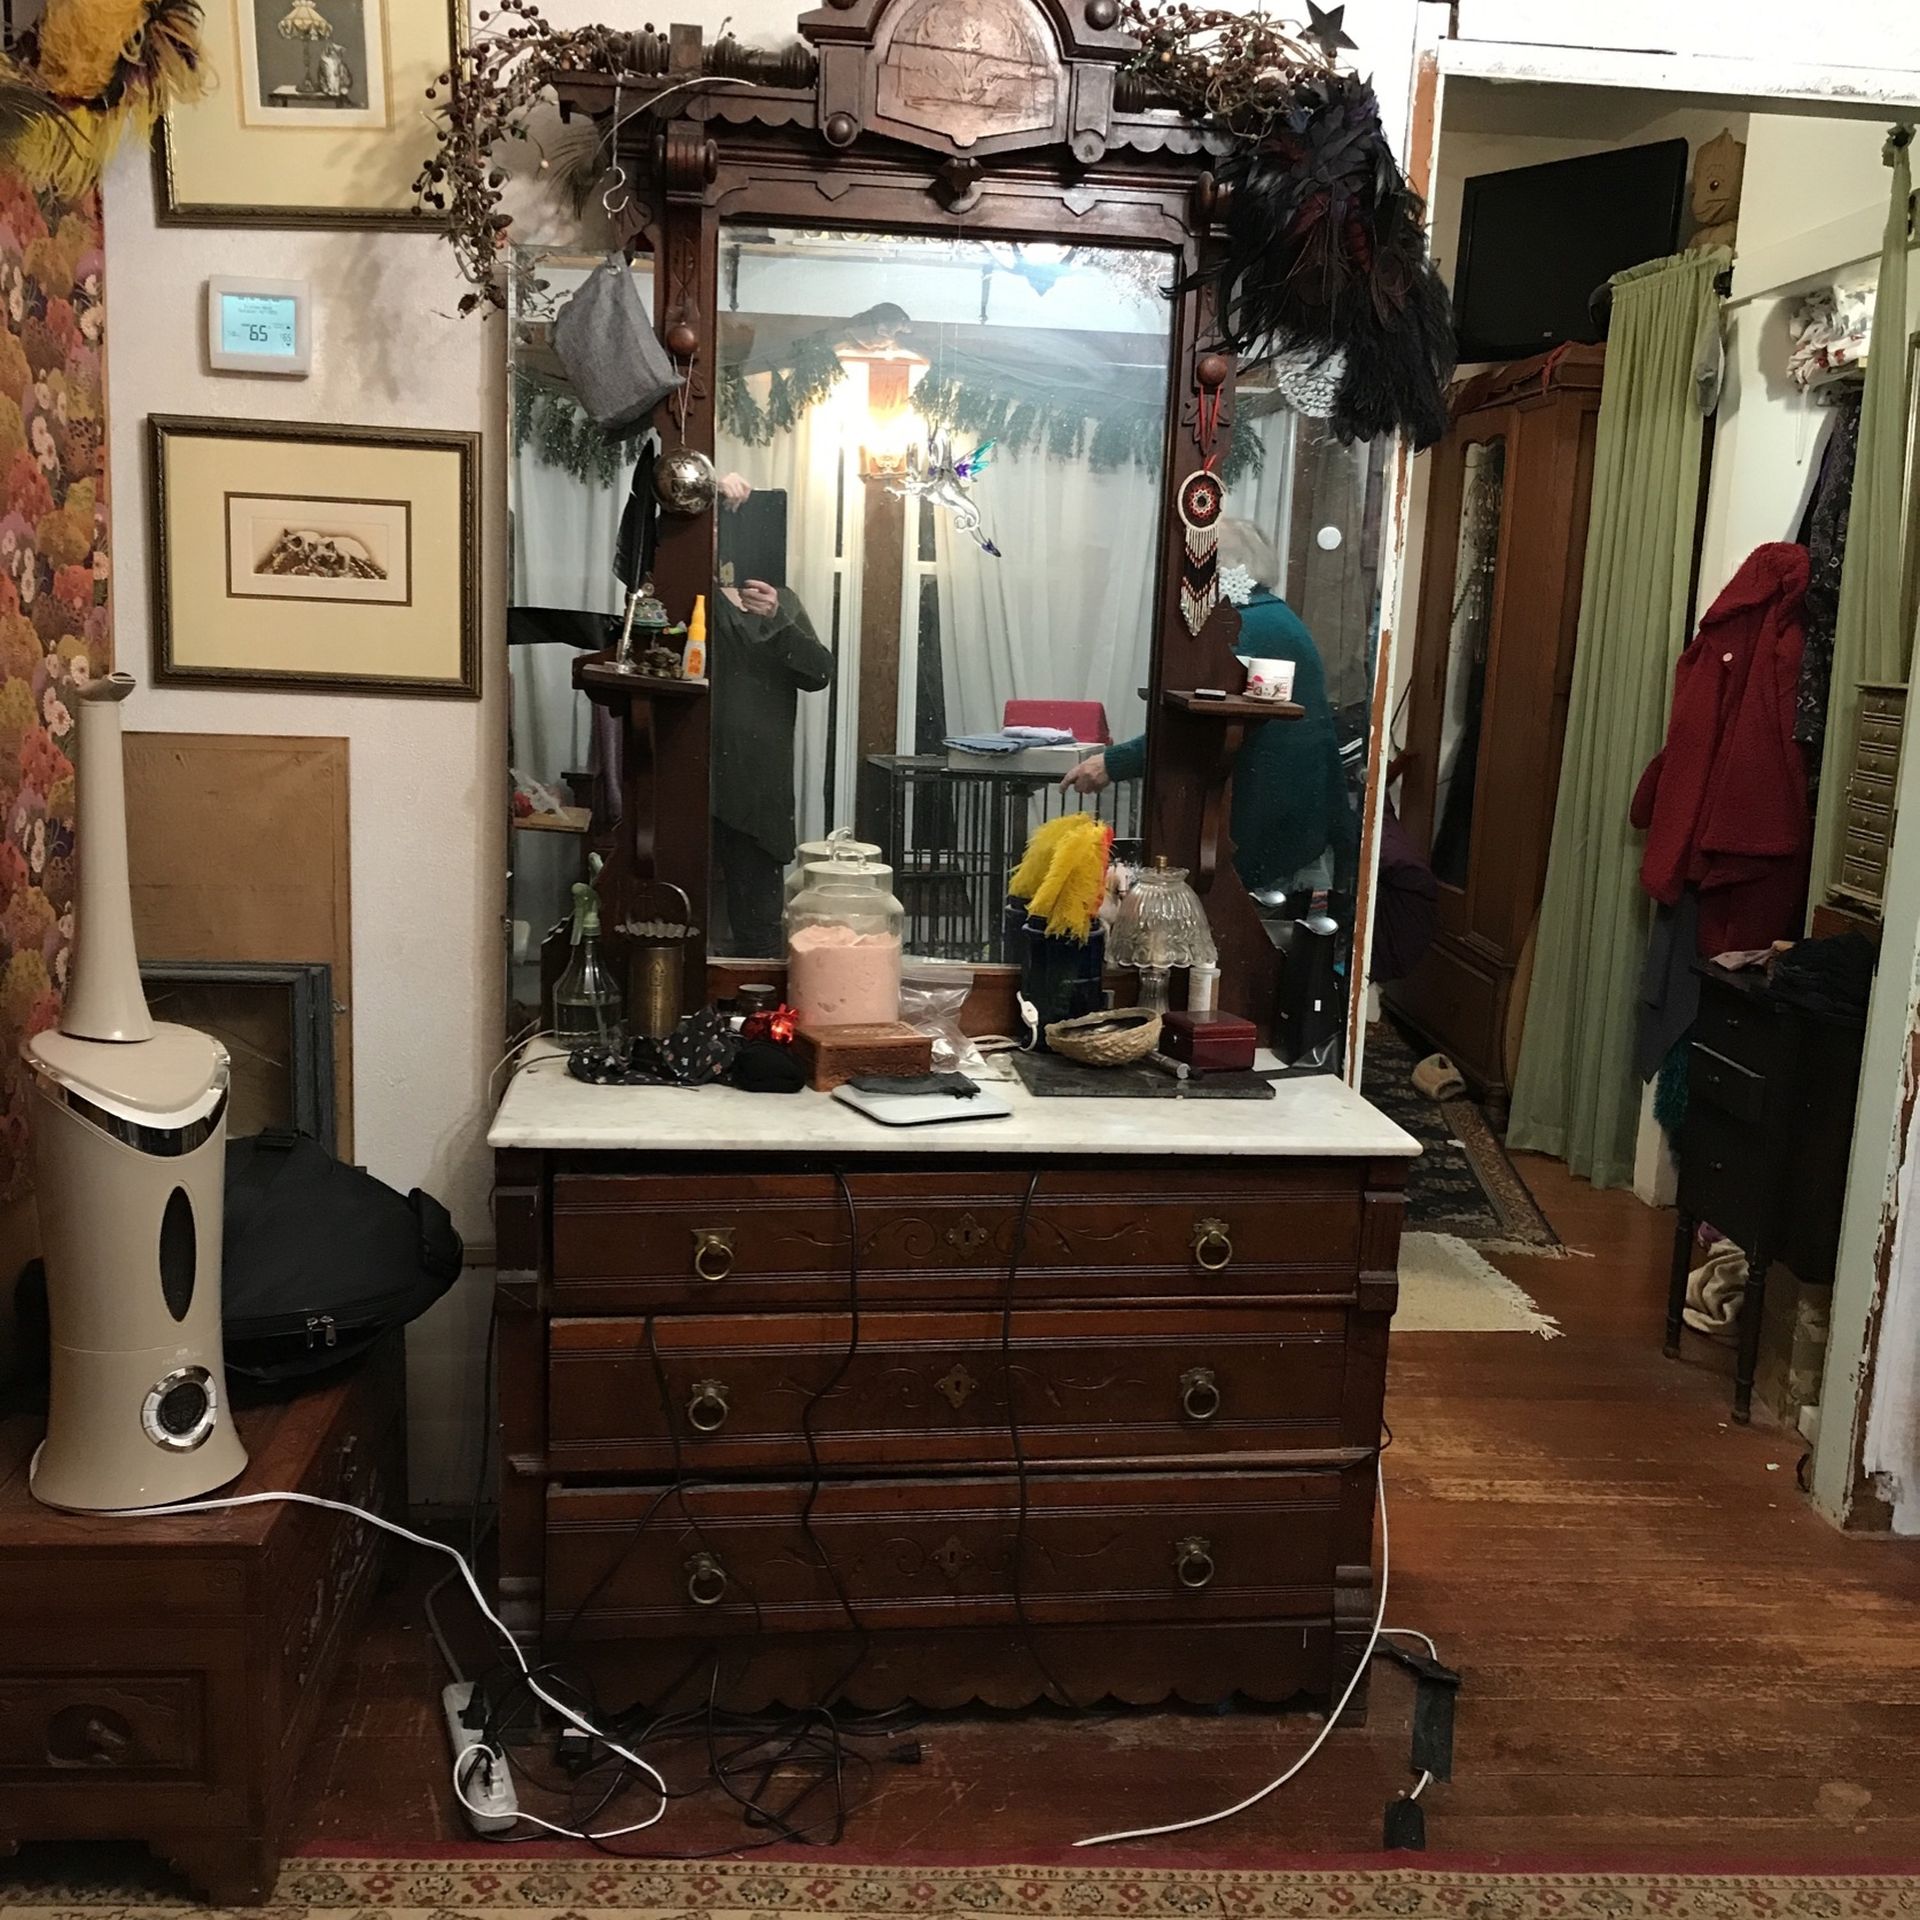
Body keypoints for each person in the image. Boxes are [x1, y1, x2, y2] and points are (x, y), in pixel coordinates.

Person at [1062, 519, 1351, 897]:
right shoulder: (1274, 617)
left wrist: (1111, 763)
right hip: (1295, 821)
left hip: (1266, 824)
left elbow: (1197, 725)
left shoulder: (1241, 626)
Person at [710, 472, 833, 957]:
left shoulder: (782, 602)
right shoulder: (682, 592)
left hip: (758, 795)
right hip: (694, 785)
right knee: (676, 919)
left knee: (758, 933)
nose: (723, 538)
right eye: (715, 526)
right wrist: (709, 487)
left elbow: (819, 672)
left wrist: (778, 619)